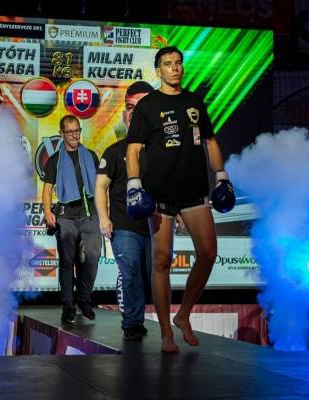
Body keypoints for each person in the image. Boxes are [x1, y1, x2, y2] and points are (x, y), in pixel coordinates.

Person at [126, 46, 234, 352]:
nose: (175, 68)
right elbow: (134, 149)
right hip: (159, 194)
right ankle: (165, 332)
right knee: (161, 260)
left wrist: (221, 175)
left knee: (208, 253)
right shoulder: (147, 106)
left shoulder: (194, 102)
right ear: (158, 70)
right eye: (168, 64)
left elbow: (210, 141)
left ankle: (183, 314)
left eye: (178, 63)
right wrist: (134, 184)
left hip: (193, 191)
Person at [95, 81, 154, 341]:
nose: (134, 113)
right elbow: (100, 186)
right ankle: (132, 324)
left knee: (150, 276)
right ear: (123, 114)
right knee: (130, 270)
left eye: (141, 108)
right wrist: (104, 218)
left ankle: (148, 322)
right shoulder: (114, 151)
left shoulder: (159, 152)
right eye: (130, 108)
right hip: (124, 226)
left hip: (155, 226)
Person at [42, 115, 101, 323]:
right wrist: (47, 211)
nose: (75, 135)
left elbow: (100, 186)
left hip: (89, 212)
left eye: (77, 131)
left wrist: (105, 212)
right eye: (70, 132)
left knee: (93, 255)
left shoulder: (91, 156)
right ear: (61, 134)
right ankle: (68, 306)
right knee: (67, 262)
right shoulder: (55, 160)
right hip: (66, 215)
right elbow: (47, 190)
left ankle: (84, 298)